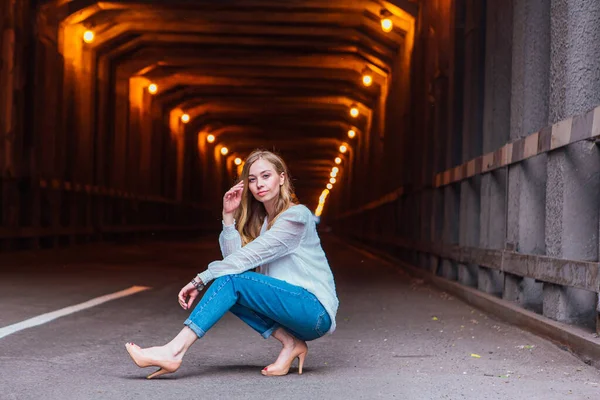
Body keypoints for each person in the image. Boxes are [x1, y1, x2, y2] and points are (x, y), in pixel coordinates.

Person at [125, 149, 339, 379]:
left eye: (266, 176)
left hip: (314, 311)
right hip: (292, 313)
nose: (259, 185)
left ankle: (174, 351)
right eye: (252, 179)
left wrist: (201, 279)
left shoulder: (296, 217)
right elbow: (235, 266)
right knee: (228, 290)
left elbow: (240, 265)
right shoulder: (266, 222)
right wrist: (228, 218)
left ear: (282, 178)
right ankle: (292, 343)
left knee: (230, 283)